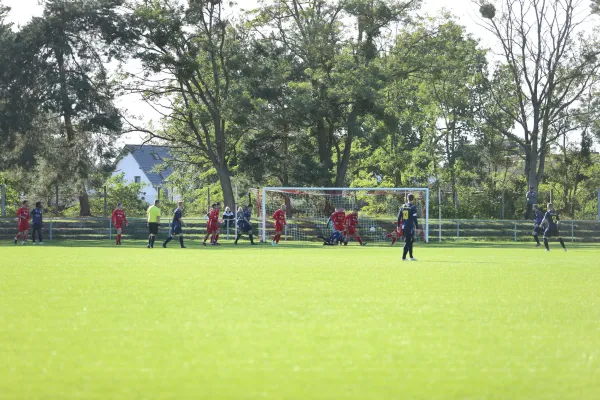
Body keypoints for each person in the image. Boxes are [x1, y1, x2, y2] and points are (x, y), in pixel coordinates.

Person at [399, 193, 419, 261]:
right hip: (410, 226)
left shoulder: (403, 206)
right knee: (408, 241)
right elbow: (414, 218)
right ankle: (404, 257)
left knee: (411, 240)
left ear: (407, 198)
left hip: (404, 226)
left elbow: (399, 217)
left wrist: (398, 226)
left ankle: (411, 256)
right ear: (413, 199)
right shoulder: (413, 207)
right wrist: (417, 227)